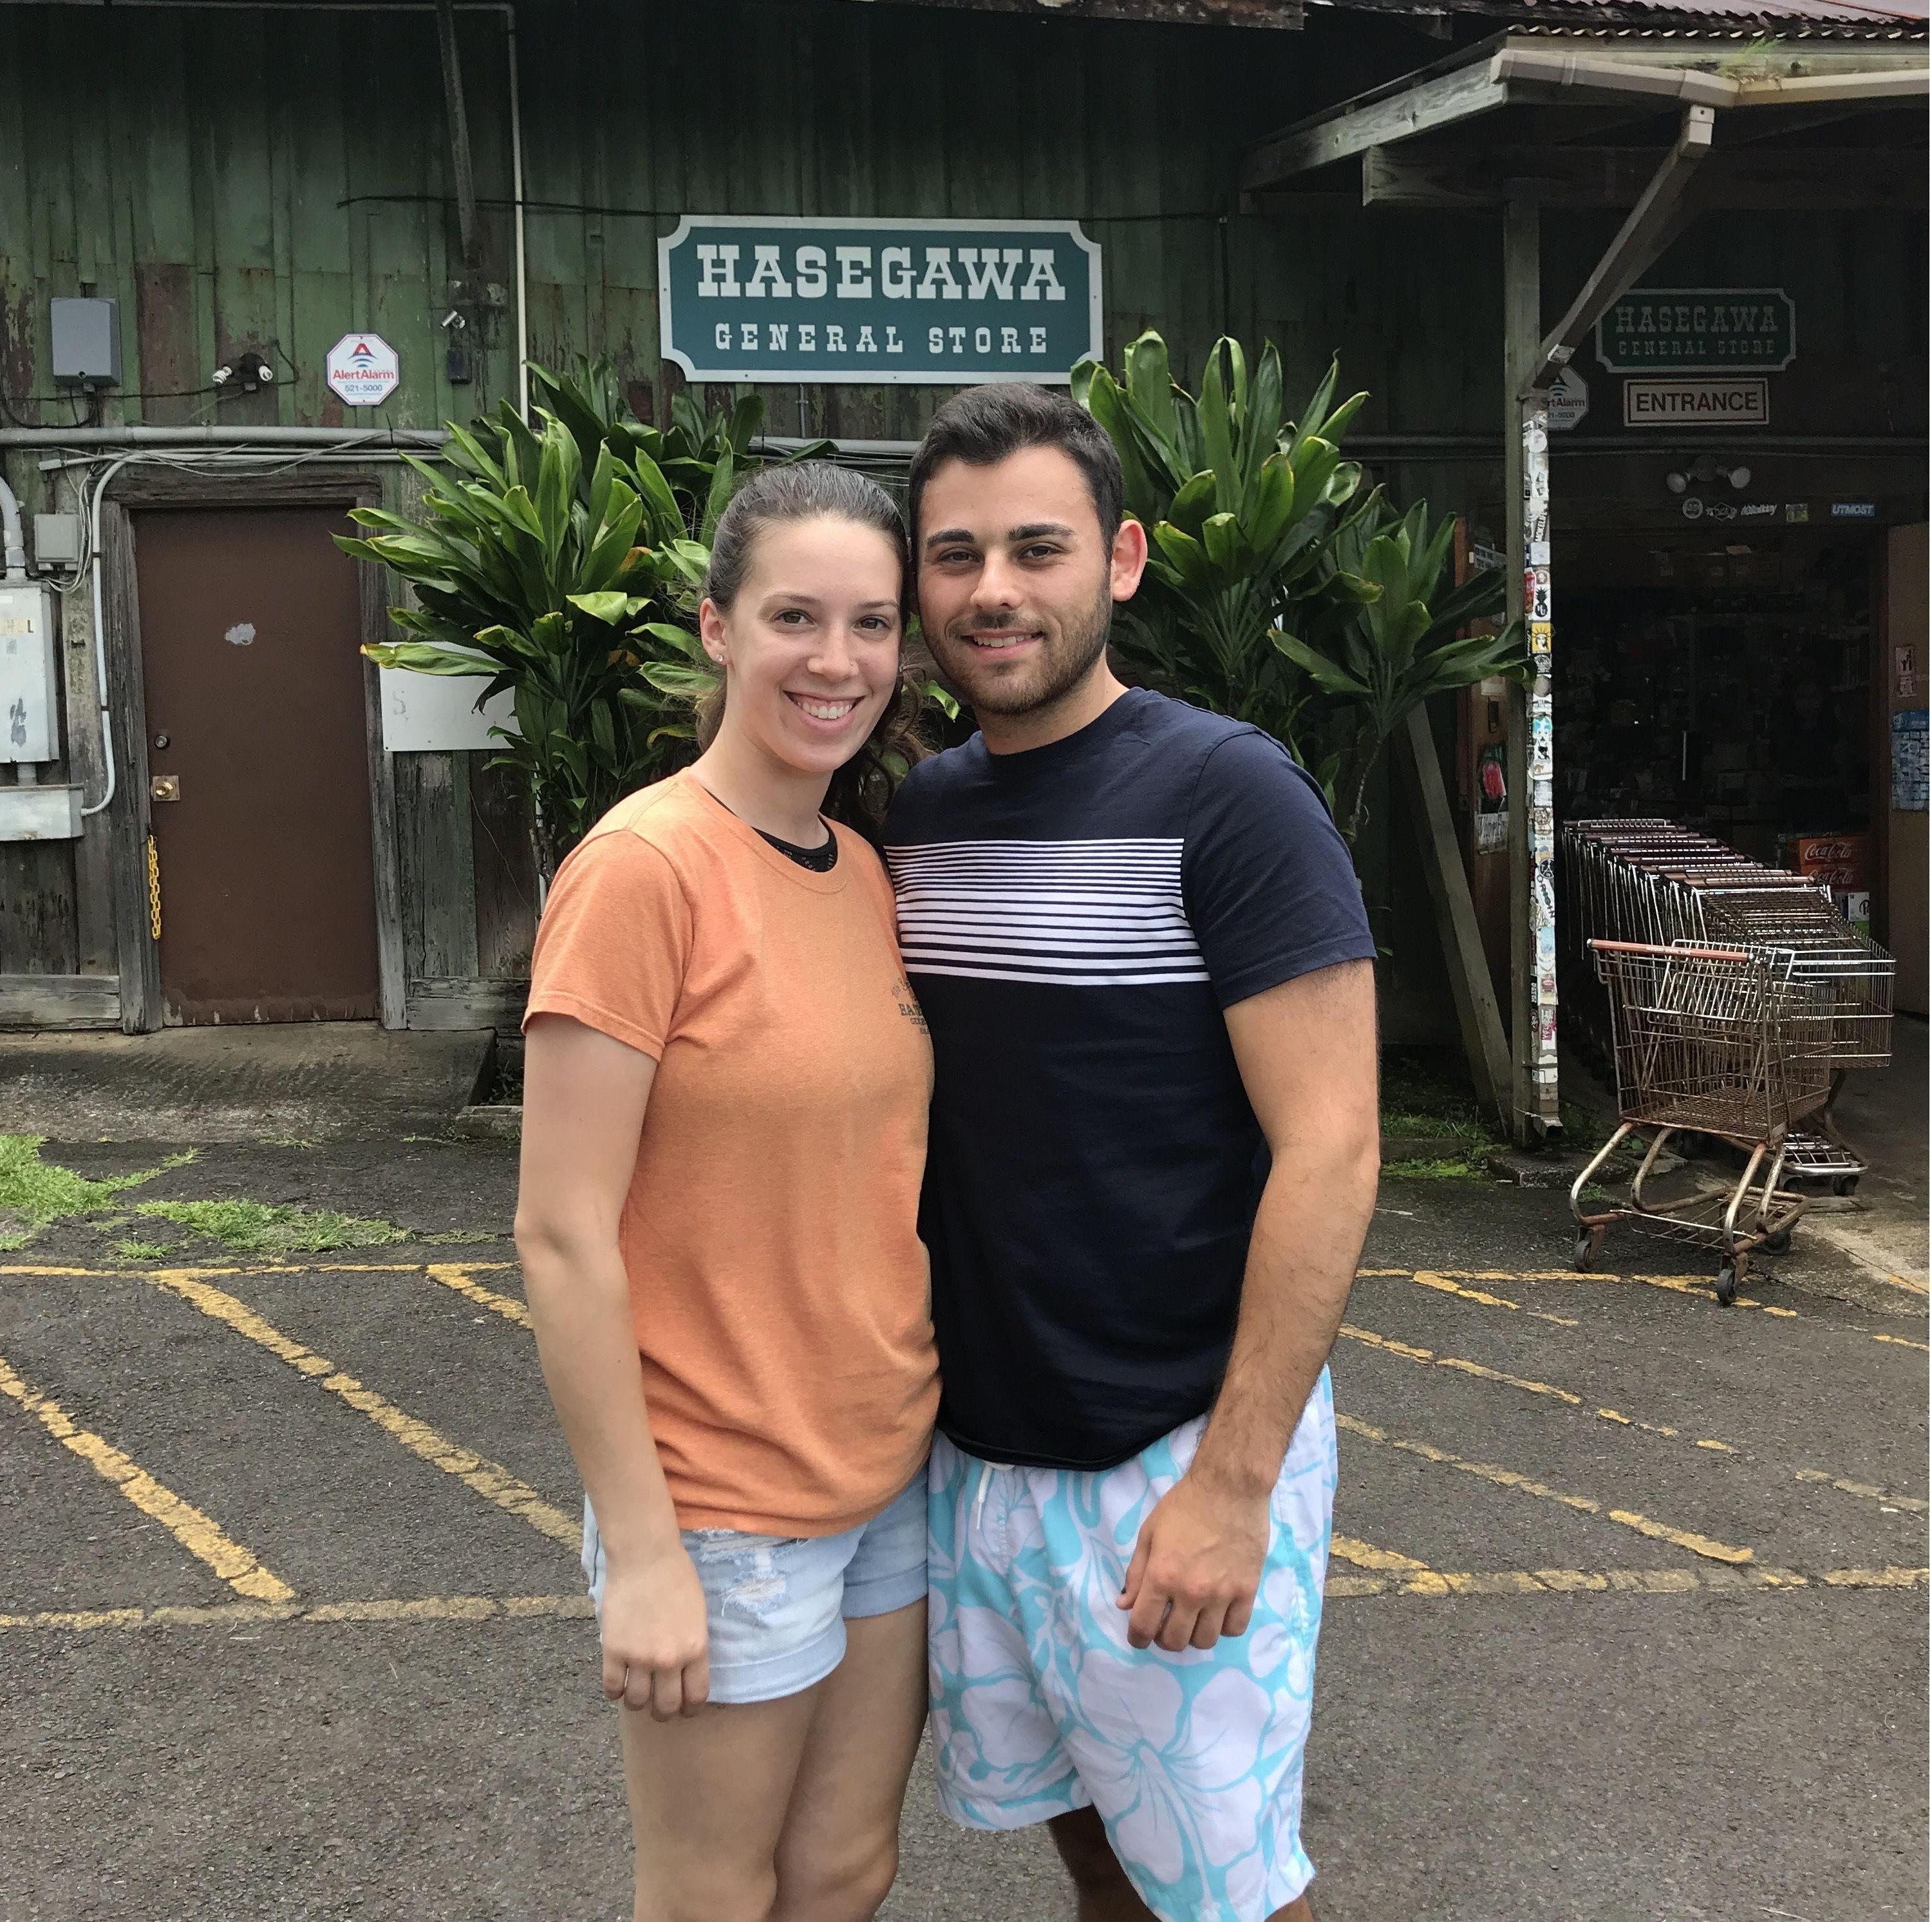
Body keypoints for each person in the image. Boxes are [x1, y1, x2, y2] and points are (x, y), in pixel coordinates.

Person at [883, 386, 1381, 1922]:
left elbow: (1332, 1146)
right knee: (1099, 1852)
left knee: (1225, 1889)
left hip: (1172, 1443)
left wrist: (1231, 1484)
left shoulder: (1226, 794)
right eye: (954, 554)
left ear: (1123, 560)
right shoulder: (923, 811)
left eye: (1036, 547)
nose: (992, 590)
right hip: (981, 1458)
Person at [514, 462, 939, 1922]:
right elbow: (559, 1230)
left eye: (871, 623)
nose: (836, 661)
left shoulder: (867, 870)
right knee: (711, 1892)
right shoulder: (642, 868)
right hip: (718, 1500)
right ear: (715, 628)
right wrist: (638, 1548)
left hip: (885, 1471)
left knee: (842, 1870)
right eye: (794, 617)